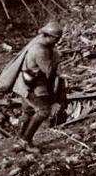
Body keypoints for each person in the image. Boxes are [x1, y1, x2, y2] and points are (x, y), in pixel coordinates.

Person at [14, 21, 63, 153]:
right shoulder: (41, 51)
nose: (58, 41)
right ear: (50, 36)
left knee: (28, 111)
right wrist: (56, 60)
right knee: (44, 111)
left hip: (24, 84)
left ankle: (19, 140)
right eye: (57, 38)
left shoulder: (37, 43)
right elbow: (49, 72)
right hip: (33, 85)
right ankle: (26, 141)